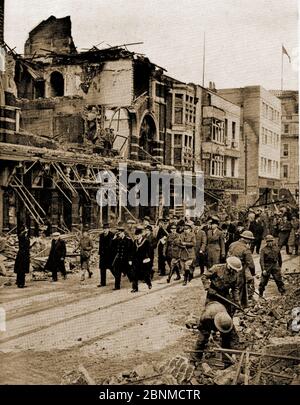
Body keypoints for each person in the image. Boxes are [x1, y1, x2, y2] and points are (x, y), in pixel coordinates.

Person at [194, 301, 239, 367]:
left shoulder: (227, 320)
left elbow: (234, 337)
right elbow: (201, 327)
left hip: (220, 309)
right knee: (202, 339)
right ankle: (195, 360)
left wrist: (234, 353)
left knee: (226, 338)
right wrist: (209, 334)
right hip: (211, 312)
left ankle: (227, 362)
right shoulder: (206, 317)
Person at [227, 231, 255, 307]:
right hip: (239, 269)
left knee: (232, 287)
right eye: (250, 240)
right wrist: (252, 273)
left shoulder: (232, 244)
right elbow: (250, 263)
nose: (250, 242)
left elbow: (228, 256)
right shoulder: (245, 248)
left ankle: (240, 304)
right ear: (247, 240)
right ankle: (238, 306)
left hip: (229, 267)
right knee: (239, 287)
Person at [130, 227, 152, 293]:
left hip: (143, 261)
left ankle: (149, 283)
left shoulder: (146, 242)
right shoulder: (135, 242)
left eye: (138, 235)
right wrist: (130, 259)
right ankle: (135, 288)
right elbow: (132, 252)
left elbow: (150, 251)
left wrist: (148, 258)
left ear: (141, 235)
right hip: (136, 261)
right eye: (136, 235)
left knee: (145, 274)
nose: (136, 236)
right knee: (134, 274)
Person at [111, 226, 133, 290]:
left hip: (126, 259)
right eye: (118, 233)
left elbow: (131, 251)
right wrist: (113, 239)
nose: (119, 234)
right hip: (119, 259)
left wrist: (130, 259)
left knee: (129, 272)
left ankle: (133, 282)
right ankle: (117, 286)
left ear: (123, 233)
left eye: (120, 233)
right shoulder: (117, 240)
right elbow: (111, 246)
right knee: (117, 273)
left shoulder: (128, 240)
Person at [98, 223, 114, 287]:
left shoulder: (112, 235)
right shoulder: (101, 235)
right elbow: (100, 245)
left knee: (112, 268)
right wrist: (99, 252)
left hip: (109, 255)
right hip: (102, 255)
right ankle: (103, 283)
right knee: (102, 269)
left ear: (108, 229)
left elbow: (113, 246)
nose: (104, 230)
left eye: (106, 229)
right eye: (104, 229)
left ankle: (117, 278)